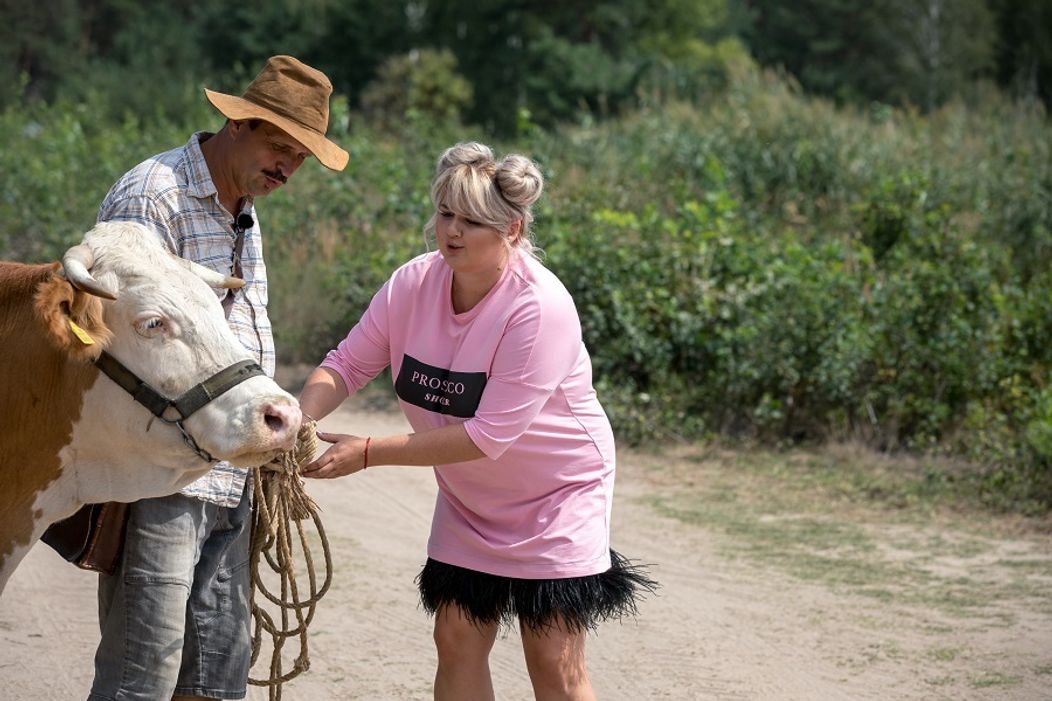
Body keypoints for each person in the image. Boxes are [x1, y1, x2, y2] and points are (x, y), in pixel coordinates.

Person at [298, 141, 656, 701]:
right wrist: (297, 421)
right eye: (445, 214)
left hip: (555, 493)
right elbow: (346, 364)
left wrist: (366, 451)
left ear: (511, 229)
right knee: (457, 637)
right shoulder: (412, 285)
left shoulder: (539, 308)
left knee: (552, 656)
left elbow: (487, 435)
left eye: (472, 221)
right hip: (470, 497)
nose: (453, 232)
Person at [88, 55, 348, 701]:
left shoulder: (243, 205)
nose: (287, 166)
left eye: (300, 156)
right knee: (141, 676)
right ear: (238, 124)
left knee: (215, 675)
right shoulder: (154, 195)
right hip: (162, 471)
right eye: (278, 146)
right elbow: (119, 341)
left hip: (235, 467)